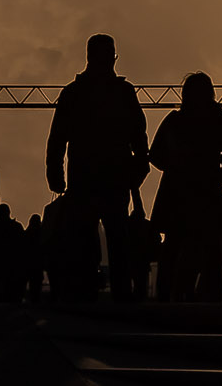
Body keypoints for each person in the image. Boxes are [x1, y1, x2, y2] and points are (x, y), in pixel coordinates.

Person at [46, 33, 149, 301]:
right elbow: (139, 135)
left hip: (84, 178)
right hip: (114, 178)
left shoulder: (73, 93)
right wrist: (138, 169)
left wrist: (55, 174)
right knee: (117, 239)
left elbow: (57, 138)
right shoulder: (123, 93)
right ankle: (120, 296)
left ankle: (85, 294)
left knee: (84, 240)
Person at [149, 71, 222, 302]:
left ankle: (167, 298)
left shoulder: (175, 121)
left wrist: (176, 168)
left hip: (178, 194)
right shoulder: (219, 121)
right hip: (206, 195)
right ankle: (209, 299)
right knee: (210, 251)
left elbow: (155, 155)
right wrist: (216, 177)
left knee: (174, 248)